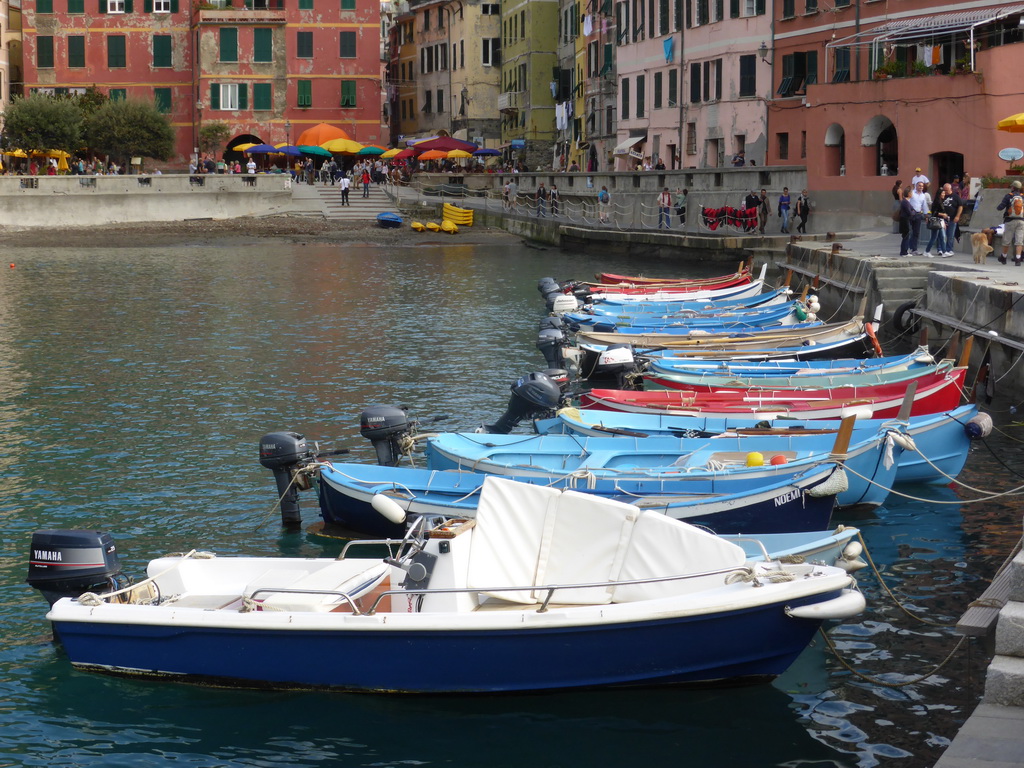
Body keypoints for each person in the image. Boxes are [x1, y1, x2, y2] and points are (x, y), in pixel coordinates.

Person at [1000, 181, 1024, 265]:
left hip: (1010, 220)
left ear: (1013, 187)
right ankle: (1018, 259)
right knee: (1019, 241)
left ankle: (1003, 257)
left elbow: (1000, 207)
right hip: (1021, 221)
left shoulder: (1008, 196)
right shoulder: (1023, 197)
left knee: (1007, 240)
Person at [908, 181, 930, 255]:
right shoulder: (912, 193)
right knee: (908, 232)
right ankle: (907, 248)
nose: (921, 187)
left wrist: (926, 215)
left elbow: (924, 206)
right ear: (916, 186)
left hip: (918, 215)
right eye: (919, 186)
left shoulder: (923, 195)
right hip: (910, 215)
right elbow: (907, 202)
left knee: (916, 232)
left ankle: (914, 249)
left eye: (922, 186)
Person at [898, 186, 915, 256]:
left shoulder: (907, 201)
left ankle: (905, 251)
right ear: (908, 193)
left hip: (906, 220)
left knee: (906, 236)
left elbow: (913, 209)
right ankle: (904, 252)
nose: (912, 194)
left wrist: (913, 211)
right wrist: (913, 212)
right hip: (905, 221)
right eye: (911, 192)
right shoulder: (905, 202)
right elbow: (910, 212)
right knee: (906, 236)